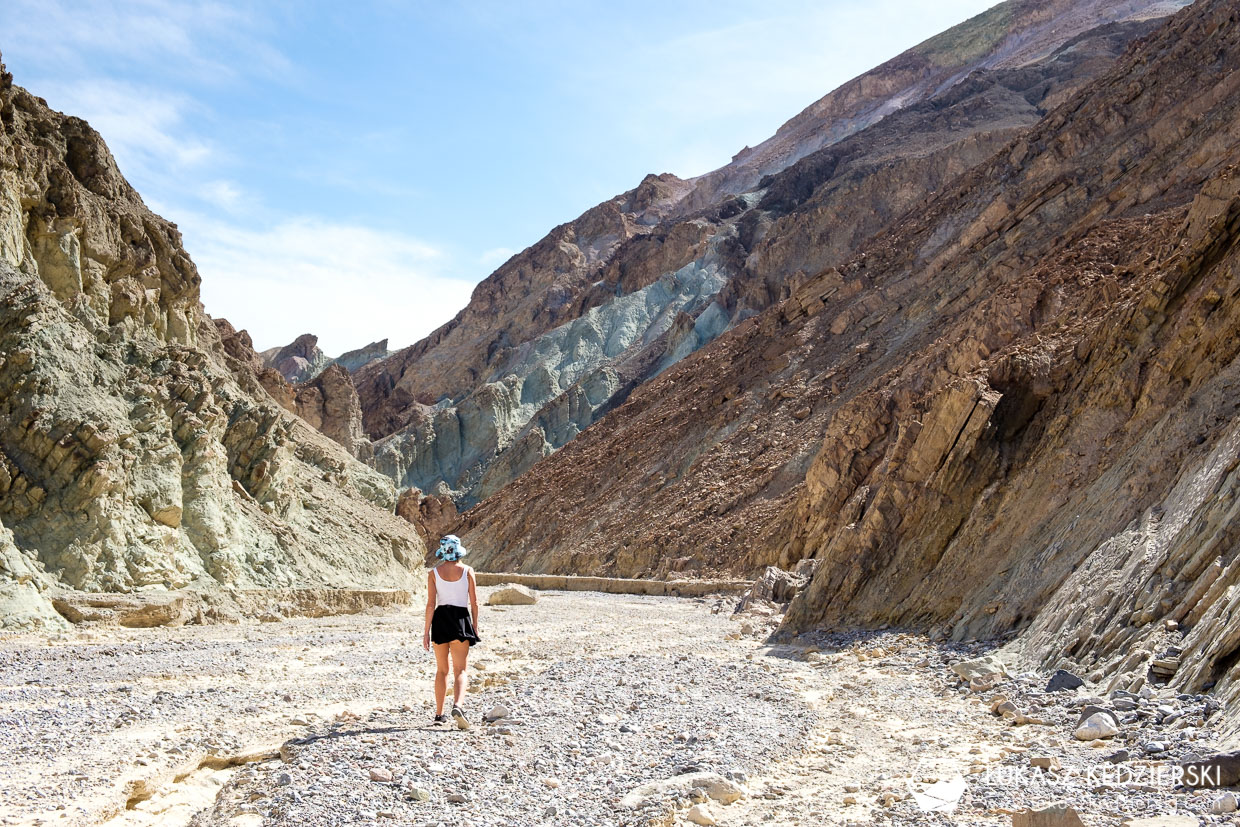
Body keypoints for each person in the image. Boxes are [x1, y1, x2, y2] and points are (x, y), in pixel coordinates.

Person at [423, 534, 480, 729]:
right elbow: (474, 602)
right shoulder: (467, 571)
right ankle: (458, 705)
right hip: (460, 620)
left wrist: (425, 632)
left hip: (440, 620)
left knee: (441, 670)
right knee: (460, 669)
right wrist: (475, 626)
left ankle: (439, 715)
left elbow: (431, 604)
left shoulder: (434, 573)